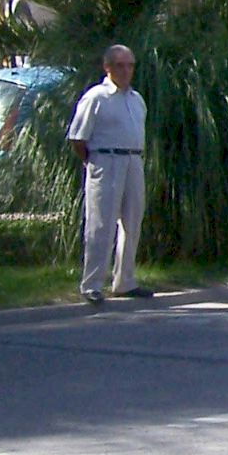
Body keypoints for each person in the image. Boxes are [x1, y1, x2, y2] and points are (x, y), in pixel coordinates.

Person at [68, 44, 152, 304]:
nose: (126, 71)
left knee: (132, 222)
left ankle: (125, 281)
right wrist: (94, 162)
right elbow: (78, 138)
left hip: (133, 160)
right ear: (108, 68)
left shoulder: (136, 99)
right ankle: (92, 284)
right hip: (106, 160)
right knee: (101, 224)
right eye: (120, 65)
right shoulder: (96, 97)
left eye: (130, 66)